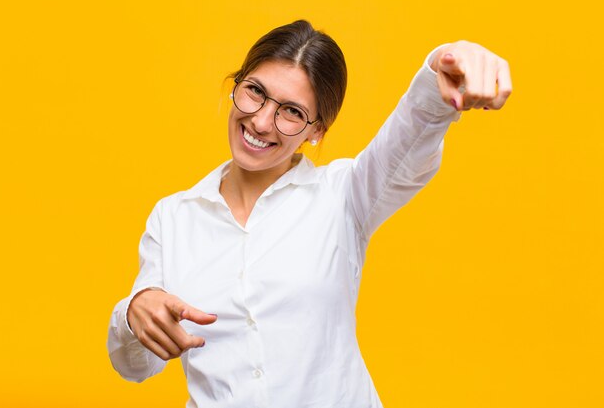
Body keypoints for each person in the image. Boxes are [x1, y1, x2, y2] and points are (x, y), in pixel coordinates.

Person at [107, 20, 512, 408]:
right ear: (236, 84)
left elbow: (408, 139)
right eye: (254, 91)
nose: (262, 121)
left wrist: (444, 67)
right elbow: (135, 365)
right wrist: (135, 310)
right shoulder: (174, 217)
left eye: (292, 112)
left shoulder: (344, 195)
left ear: (317, 130)